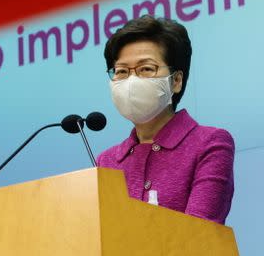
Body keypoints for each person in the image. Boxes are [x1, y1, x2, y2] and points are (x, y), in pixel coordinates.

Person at [96, 15, 234, 224]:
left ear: (176, 81)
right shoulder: (106, 162)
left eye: (146, 69)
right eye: (122, 71)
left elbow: (199, 234)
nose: (132, 81)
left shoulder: (210, 144)